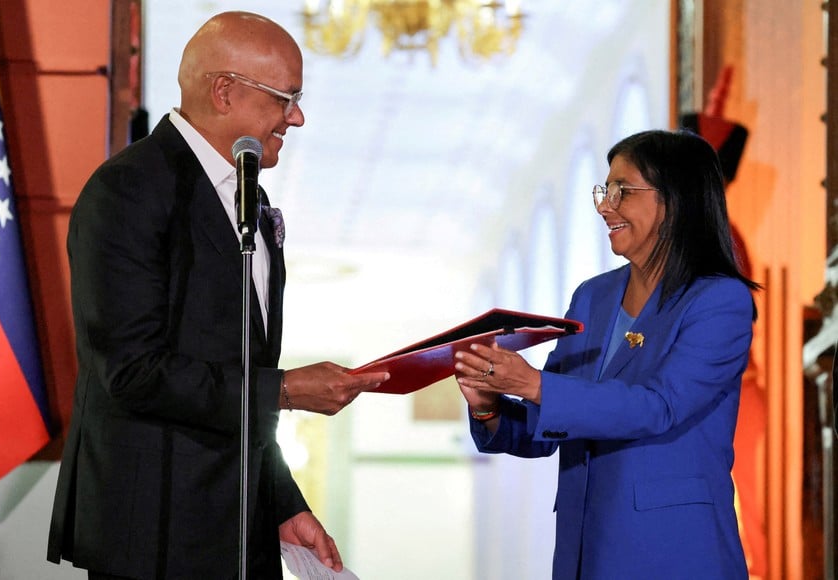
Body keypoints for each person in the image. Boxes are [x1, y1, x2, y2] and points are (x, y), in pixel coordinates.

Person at [47, 11, 388, 580]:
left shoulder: (247, 197)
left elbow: (233, 376)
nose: (297, 117)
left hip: (241, 536)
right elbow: (130, 371)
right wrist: (284, 390)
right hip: (153, 539)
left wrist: (281, 503)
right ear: (225, 91)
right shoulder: (129, 190)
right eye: (286, 97)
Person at [455, 129, 760, 578]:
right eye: (605, 189)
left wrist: (535, 384)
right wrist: (489, 407)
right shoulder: (592, 297)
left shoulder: (719, 301)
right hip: (584, 549)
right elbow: (551, 420)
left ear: (675, 201)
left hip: (674, 552)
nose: (604, 205)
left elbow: (659, 406)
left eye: (623, 190)